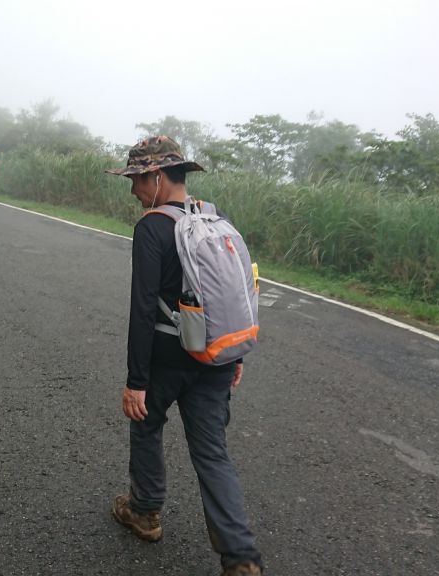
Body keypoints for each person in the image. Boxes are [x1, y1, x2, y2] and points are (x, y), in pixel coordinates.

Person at [106, 136, 264, 576]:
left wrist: (135, 380)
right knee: (213, 454)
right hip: (214, 358)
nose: (134, 190)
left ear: (156, 177)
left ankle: (145, 512)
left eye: (136, 180)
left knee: (146, 424)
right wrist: (232, 356)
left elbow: (142, 308)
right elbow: (235, 296)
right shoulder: (216, 219)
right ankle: (241, 557)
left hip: (165, 359)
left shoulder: (152, 228)